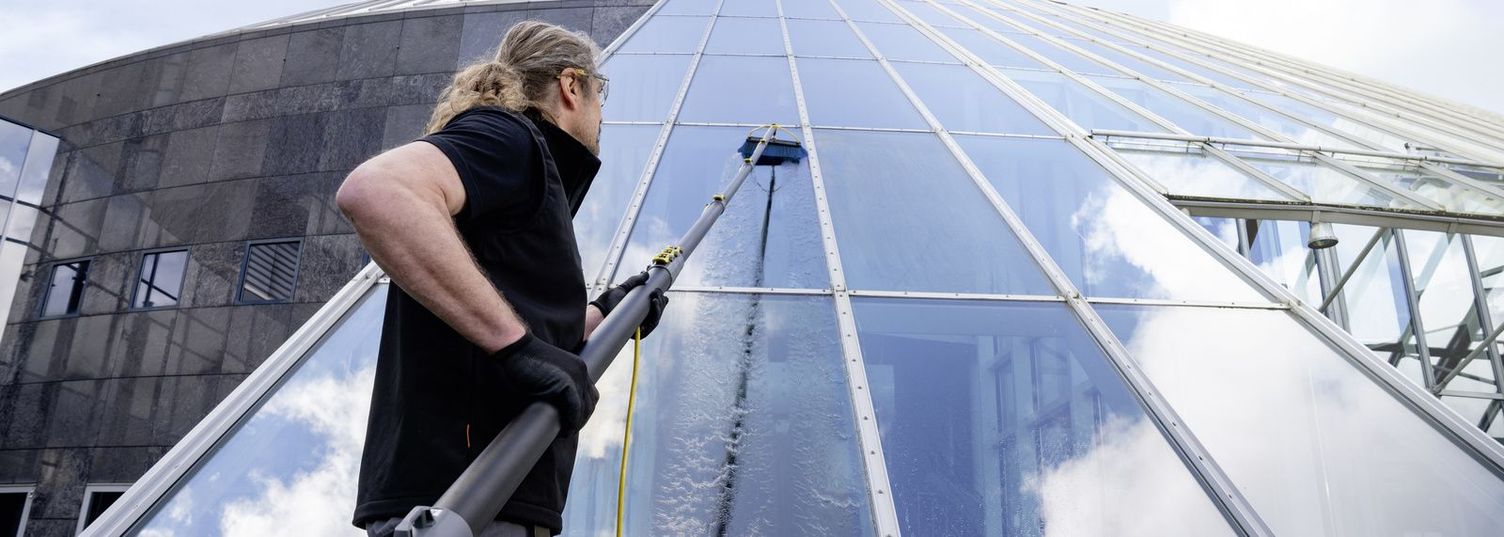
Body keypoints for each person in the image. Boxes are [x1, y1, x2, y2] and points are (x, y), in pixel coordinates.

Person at [336, 21, 667, 537]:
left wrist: (612, 311)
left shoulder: (526, 168)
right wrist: (518, 349)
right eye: (602, 93)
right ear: (571, 86)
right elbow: (375, 190)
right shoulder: (510, 136)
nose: (603, 115)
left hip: (480, 505)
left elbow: (523, 333)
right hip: (464, 506)